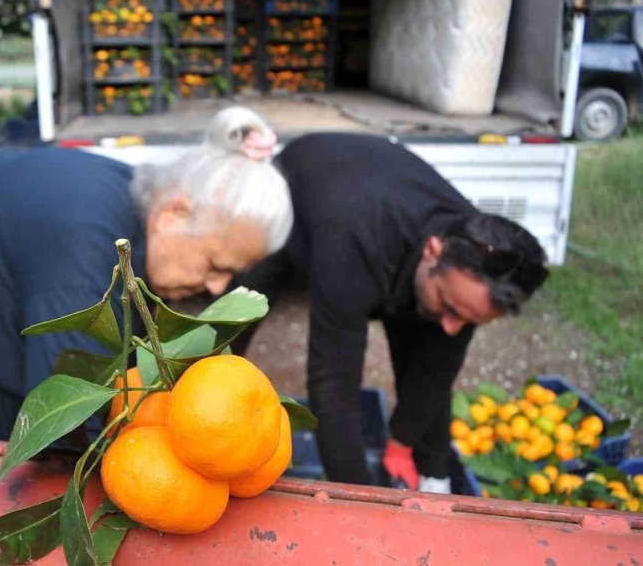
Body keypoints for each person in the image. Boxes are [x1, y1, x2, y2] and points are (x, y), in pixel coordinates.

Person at [0, 107, 293, 441]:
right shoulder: (85, 253)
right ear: (174, 214)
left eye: (232, 273)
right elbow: (64, 424)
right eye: (216, 265)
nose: (218, 286)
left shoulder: (135, 201)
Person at [232, 130, 549, 493]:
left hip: (383, 208)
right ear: (433, 250)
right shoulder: (351, 243)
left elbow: (435, 371)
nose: (452, 327)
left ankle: (433, 472)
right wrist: (357, 498)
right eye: (449, 307)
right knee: (241, 307)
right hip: (306, 185)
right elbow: (333, 383)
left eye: (467, 319)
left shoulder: (475, 256)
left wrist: (404, 446)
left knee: (427, 336)